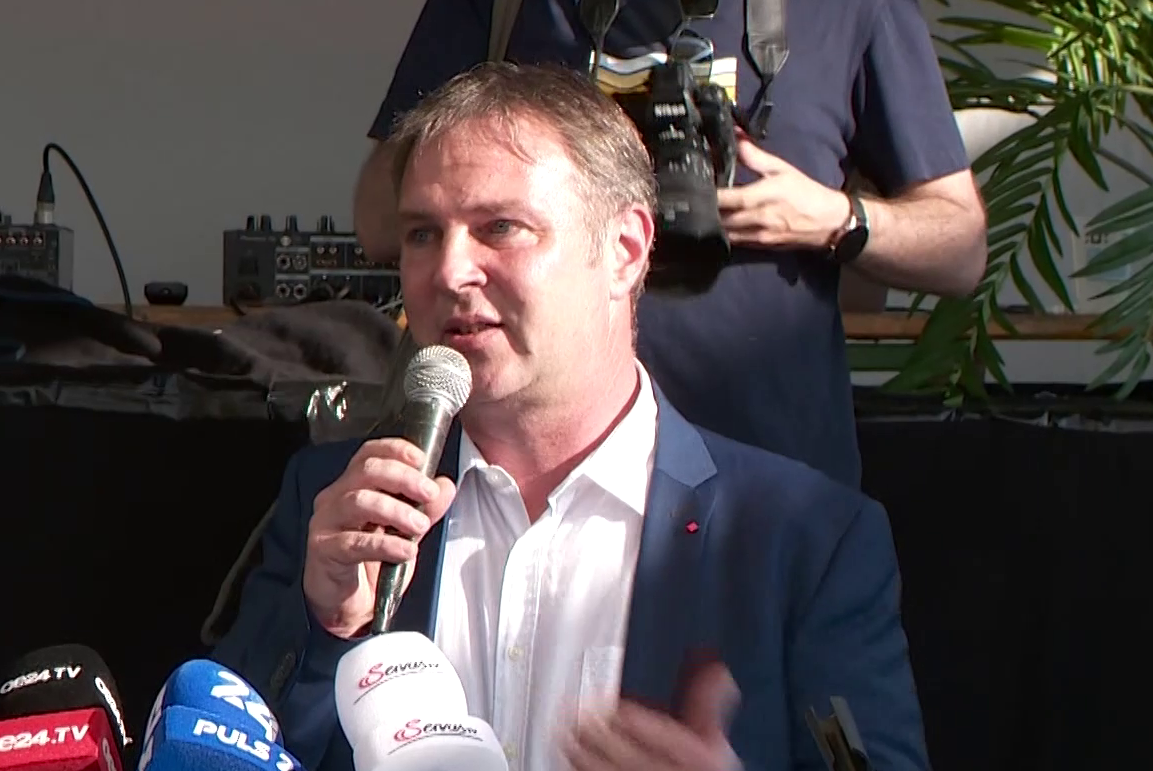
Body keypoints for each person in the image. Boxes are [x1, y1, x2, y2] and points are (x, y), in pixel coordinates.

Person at [212, 64, 930, 771]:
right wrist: (329, 630)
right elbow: (220, 746)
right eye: (423, 234)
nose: (450, 271)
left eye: (501, 226)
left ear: (624, 251)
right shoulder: (337, 502)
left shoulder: (806, 539)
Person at [353, 0, 987, 488]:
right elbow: (379, 220)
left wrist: (831, 218)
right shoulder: (509, 9)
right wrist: (531, 167)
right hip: (518, 476)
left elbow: (960, 248)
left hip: (770, 479)